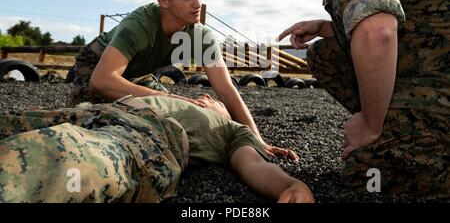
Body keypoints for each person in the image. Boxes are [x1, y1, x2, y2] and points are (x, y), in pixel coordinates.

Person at [266, 0, 449, 197]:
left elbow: (378, 34)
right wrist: (326, 27)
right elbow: (403, 26)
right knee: (322, 55)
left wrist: (370, 125)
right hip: (429, 70)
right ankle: (399, 132)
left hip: (438, 80)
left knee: (365, 173)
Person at [68, 0, 295, 160]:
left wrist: (258, 141)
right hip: (96, 68)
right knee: (92, 122)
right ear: (164, 1)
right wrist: (171, 96)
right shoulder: (139, 24)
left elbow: (226, 89)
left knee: (172, 119)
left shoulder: (200, 35)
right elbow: (102, 80)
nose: (197, 4)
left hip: (138, 75)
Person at [0, 94, 313, 203]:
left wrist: (290, 184)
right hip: (98, 112)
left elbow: (253, 166)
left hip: (152, 132)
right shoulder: (172, 96)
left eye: (214, 101)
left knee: (58, 157)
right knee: (11, 123)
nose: (206, 100)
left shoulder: (231, 130)